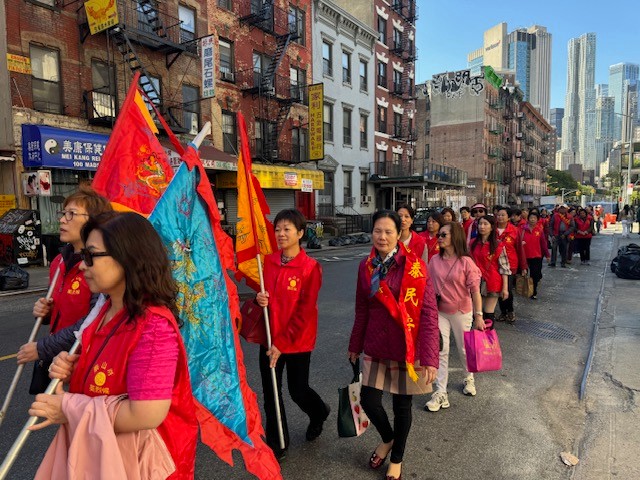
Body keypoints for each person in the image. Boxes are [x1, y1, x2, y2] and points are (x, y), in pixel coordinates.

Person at [29, 212, 198, 478]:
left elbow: (146, 414)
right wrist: (77, 371)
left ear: (127, 258)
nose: (82, 265)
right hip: (102, 454)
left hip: (140, 463)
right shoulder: (104, 311)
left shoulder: (153, 326)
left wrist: (68, 408)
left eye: (90, 256)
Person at [348, 210, 439, 480]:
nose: (382, 236)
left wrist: (431, 358)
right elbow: (362, 309)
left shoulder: (415, 266)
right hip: (376, 344)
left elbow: (429, 313)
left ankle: (397, 457)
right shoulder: (366, 267)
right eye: (378, 231)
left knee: (402, 406)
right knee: (369, 400)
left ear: (399, 234)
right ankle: (387, 439)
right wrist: (355, 344)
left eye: (389, 231)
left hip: (405, 346)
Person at [17, 187, 112, 393]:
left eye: (71, 214)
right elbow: (62, 311)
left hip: (84, 359)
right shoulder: (59, 261)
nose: (62, 220)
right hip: (59, 360)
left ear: (93, 222)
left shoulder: (101, 266)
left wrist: (42, 347)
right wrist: (47, 314)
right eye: (63, 213)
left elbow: (94, 321)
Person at [255, 209, 329, 460]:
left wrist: (282, 345)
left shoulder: (311, 268)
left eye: (287, 229)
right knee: (271, 392)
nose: (281, 234)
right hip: (269, 336)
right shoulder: (268, 261)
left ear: (300, 233)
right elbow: (264, 296)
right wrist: (259, 299)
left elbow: (304, 313)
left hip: (297, 341)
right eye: (277, 229)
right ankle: (279, 444)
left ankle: (319, 412)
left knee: (298, 390)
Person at [425, 222, 483, 412]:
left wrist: (479, 316)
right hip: (440, 312)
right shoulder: (434, 261)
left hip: (461, 312)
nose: (439, 238)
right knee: (441, 350)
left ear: (454, 237)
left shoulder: (466, 262)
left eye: (443, 235)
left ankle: (469, 377)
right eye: (439, 235)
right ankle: (441, 392)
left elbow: (475, 292)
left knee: (464, 350)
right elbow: (427, 286)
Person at [469, 215, 511, 325]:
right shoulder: (472, 243)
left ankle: (488, 340)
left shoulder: (498, 245)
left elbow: (504, 268)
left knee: (488, 314)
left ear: (492, 227)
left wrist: (505, 289)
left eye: (485, 224)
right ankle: (476, 340)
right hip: (475, 282)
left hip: (493, 282)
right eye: (480, 224)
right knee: (477, 313)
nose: (482, 226)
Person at [496, 207, 525, 324]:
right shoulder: (492, 230)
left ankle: (510, 311)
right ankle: (503, 312)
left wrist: (523, 266)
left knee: (507, 289)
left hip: (510, 264)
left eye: (503, 215)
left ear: (508, 217)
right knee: (498, 289)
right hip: (495, 264)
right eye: (498, 215)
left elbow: (519, 249)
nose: (500, 217)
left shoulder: (514, 230)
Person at [521, 211, 550, 299]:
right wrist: (520, 243)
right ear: (528, 219)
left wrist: (547, 255)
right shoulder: (522, 229)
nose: (532, 220)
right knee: (523, 274)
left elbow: (543, 244)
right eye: (531, 218)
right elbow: (517, 240)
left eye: (534, 218)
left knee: (535, 275)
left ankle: (534, 292)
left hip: (536, 255)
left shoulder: (539, 230)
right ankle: (523, 289)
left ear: (538, 220)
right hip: (524, 256)